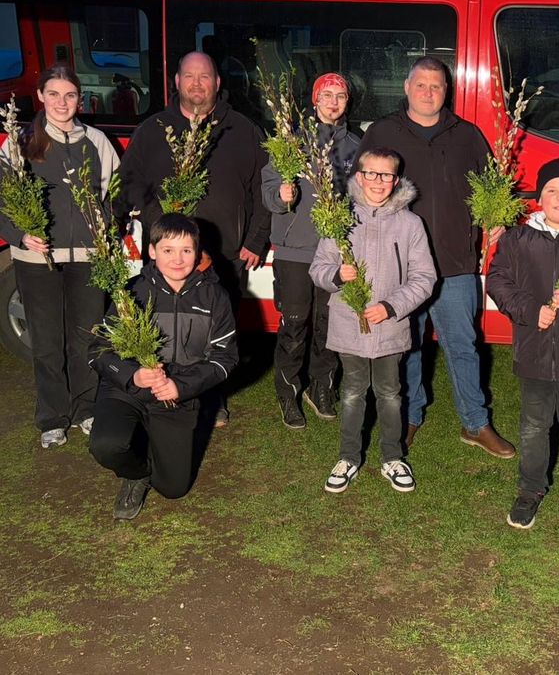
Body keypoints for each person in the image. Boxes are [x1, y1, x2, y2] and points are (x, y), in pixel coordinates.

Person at [358, 57, 514, 458]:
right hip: (400, 267)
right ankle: (410, 417)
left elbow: (492, 187)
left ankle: (475, 423)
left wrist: (494, 217)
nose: (430, 93)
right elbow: (359, 187)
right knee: (407, 345)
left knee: (463, 345)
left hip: (454, 264)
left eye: (438, 86)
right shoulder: (383, 132)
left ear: (448, 91)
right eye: (422, 85)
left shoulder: (467, 135)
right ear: (407, 88)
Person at [118, 51, 270, 426]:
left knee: (217, 333)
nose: (197, 84)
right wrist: (140, 221)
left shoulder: (243, 130)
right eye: (190, 76)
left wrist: (255, 239)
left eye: (205, 77)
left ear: (217, 83)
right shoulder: (152, 130)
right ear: (176, 82)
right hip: (165, 257)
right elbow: (127, 184)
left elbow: (262, 190)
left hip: (225, 255)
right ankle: (158, 393)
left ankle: (213, 399)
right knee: (160, 327)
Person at [88, 214, 238, 520]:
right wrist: (133, 375)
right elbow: (98, 350)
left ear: (198, 253)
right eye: (168, 250)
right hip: (127, 391)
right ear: (152, 251)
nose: (178, 259)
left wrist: (180, 386)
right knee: (107, 445)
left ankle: (155, 445)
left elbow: (225, 359)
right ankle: (135, 474)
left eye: (186, 250)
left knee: (173, 488)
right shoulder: (130, 293)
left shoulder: (216, 298)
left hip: (176, 397)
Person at [0, 65, 119, 449]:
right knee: (47, 341)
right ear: (40, 96)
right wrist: (20, 235)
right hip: (36, 259)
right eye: (54, 94)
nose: (62, 103)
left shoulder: (97, 142)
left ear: (79, 99)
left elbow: (113, 196)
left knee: (86, 337)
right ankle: (52, 417)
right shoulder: (20, 142)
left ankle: (86, 409)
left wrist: (107, 232)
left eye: (69, 95)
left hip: (87, 255)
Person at [487, 159, 559, 531]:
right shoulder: (518, 239)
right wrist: (529, 310)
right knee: (534, 424)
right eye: (552, 190)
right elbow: (498, 281)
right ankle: (530, 487)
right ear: (538, 198)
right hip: (535, 350)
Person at [310, 148, 436, 494]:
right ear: (359, 176)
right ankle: (349, 456)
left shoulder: (410, 223)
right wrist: (337, 273)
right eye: (372, 174)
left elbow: (424, 277)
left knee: (390, 393)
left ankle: (392, 457)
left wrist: (391, 306)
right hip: (349, 325)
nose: (379, 182)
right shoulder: (339, 218)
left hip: (389, 326)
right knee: (352, 391)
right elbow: (317, 268)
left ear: (396, 180)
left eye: (387, 175)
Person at [261, 73, 360, 428]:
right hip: (295, 248)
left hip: (333, 251)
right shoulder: (290, 143)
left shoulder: (354, 145)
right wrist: (280, 195)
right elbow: (268, 186)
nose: (334, 102)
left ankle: (321, 386)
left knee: (328, 322)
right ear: (315, 100)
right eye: (327, 95)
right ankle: (288, 391)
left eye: (341, 96)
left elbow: (360, 196)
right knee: (296, 322)